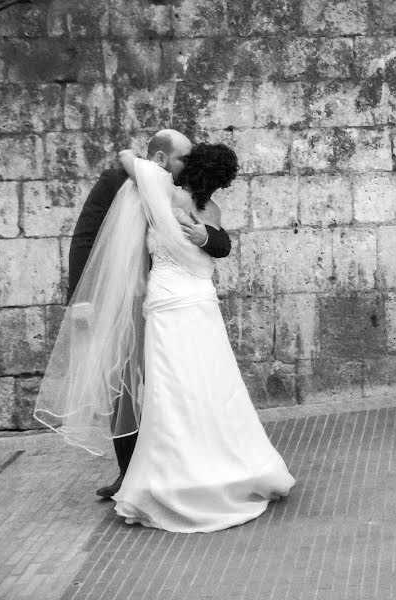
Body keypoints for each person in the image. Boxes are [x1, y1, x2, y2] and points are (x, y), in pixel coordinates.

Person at [110, 143, 294, 532]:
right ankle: (222, 467)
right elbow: (223, 245)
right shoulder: (211, 210)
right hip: (197, 302)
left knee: (171, 389)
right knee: (211, 383)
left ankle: (172, 478)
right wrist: (204, 237)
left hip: (169, 303)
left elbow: (128, 158)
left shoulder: (162, 193)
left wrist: (153, 162)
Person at [60, 129, 232, 499]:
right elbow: (85, 235)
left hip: (161, 300)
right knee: (121, 383)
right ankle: (128, 471)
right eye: (184, 158)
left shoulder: (177, 193)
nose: (188, 166)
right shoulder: (119, 179)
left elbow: (218, 237)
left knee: (166, 384)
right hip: (117, 298)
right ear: (159, 160)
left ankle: (170, 465)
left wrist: (204, 236)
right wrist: (81, 298)